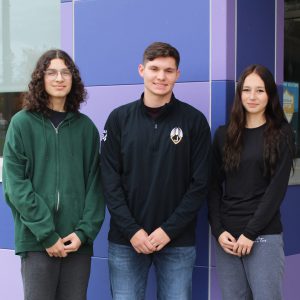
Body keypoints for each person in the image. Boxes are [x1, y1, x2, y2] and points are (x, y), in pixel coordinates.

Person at [101, 41, 211, 299]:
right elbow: (109, 179)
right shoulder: (119, 119)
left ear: (177, 74)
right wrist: (132, 230)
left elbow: (200, 183)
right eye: (154, 68)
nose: (161, 76)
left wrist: (168, 230)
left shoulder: (193, 121)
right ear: (141, 70)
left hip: (177, 241)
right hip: (126, 241)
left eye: (169, 70)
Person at [2, 49, 105, 300]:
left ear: (73, 79)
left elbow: (96, 186)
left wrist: (83, 233)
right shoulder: (22, 124)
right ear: (41, 79)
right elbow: (16, 186)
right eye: (52, 72)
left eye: (65, 72)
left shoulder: (86, 128)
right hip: (37, 242)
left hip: (76, 244)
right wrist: (47, 235)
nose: (59, 78)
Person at [208, 64, 294, 300]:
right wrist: (218, 230)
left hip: (263, 234)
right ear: (239, 94)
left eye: (260, 90)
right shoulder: (223, 135)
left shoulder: (282, 134)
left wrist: (250, 233)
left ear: (270, 95)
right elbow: (213, 186)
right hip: (227, 237)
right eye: (247, 90)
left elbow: (276, 190)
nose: (252, 97)